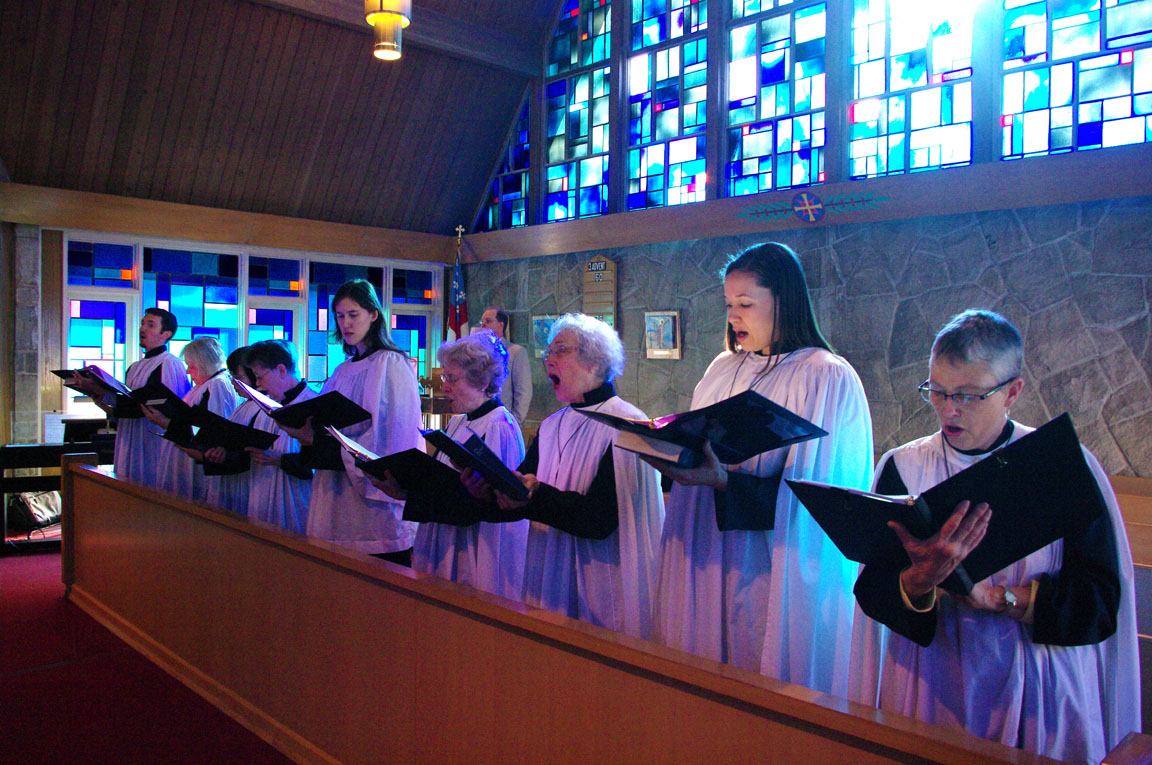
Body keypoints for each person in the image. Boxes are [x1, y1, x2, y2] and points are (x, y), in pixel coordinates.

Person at [848, 310, 1139, 763]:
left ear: (1012, 392)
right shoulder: (903, 468)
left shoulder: (1061, 465)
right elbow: (871, 591)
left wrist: (1002, 599)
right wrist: (918, 581)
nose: (949, 409)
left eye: (968, 395)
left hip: (1039, 689)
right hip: (932, 683)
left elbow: (1099, 603)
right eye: (937, 391)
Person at [651, 242, 874, 694]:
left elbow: (821, 499)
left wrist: (725, 483)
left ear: (783, 302)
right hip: (707, 550)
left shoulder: (825, 375)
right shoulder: (722, 368)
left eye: (746, 304)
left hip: (770, 564)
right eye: (728, 304)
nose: (733, 316)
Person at [462, 313, 665, 639]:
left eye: (560, 351)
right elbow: (520, 495)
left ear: (595, 360)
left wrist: (535, 495)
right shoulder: (552, 425)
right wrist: (487, 493)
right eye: (548, 352)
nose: (548, 359)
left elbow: (599, 520)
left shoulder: (628, 425)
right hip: (548, 579)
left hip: (602, 589)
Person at [372, 330, 527, 600]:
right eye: (445, 377)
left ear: (482, 382)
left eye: (452, 379)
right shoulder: (457, 422)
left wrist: (413, 497)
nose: (444, 387)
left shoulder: (499, 425)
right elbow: (440, 482)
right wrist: (405, 489)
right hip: (444, 539)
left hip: (474, 549)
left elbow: (491, 506)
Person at [286, 279, 423, 563]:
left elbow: (392, 435)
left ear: (373, 314)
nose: (346, 323)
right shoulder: (342, 370)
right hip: (335, 492)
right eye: (340, 316)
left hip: (373, 507)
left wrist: (322, 444)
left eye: (353, 314)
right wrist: (308, 433)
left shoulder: (391, 364)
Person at [74, 308, 190, 489]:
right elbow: (128, 405)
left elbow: (154, 406)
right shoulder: (135, 367)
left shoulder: (169, 364)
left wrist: (103, 392)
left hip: (152, 442)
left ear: (166, 334)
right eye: (143, 323)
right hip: (129, 439)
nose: (142, 329)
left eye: (150, 325)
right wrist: (103, 401)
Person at [144, 336, 239, 502]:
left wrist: (165, 423)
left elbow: (211, 431)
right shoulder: (205, 384)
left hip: (197, 466)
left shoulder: (217, 385)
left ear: (204, 363)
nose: (188, 371)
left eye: (191, 366)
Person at [243, 340, 317, 535]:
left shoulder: (313, 404)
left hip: (297, 503)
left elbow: (320, 467)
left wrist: (280, 460)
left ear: (281, 370)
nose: (257, 384)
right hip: (265, 498)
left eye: (260, 377)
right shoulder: (267, 406)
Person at [203, 346, 262, 515]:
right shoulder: (245, 405)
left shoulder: (263, 408)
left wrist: (228, 453)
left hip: (250, 482)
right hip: (233, 480)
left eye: (238, 378)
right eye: (232, 378)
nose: (233, 383)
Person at [480, 307, 532, 424]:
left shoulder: (515, 352)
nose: (483, 325)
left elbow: (523, 391)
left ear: (501, 324)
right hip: (480, 421)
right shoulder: (478, 352)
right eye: (482, 321)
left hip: (503, 421)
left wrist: (514, 421)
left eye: (488, 321)